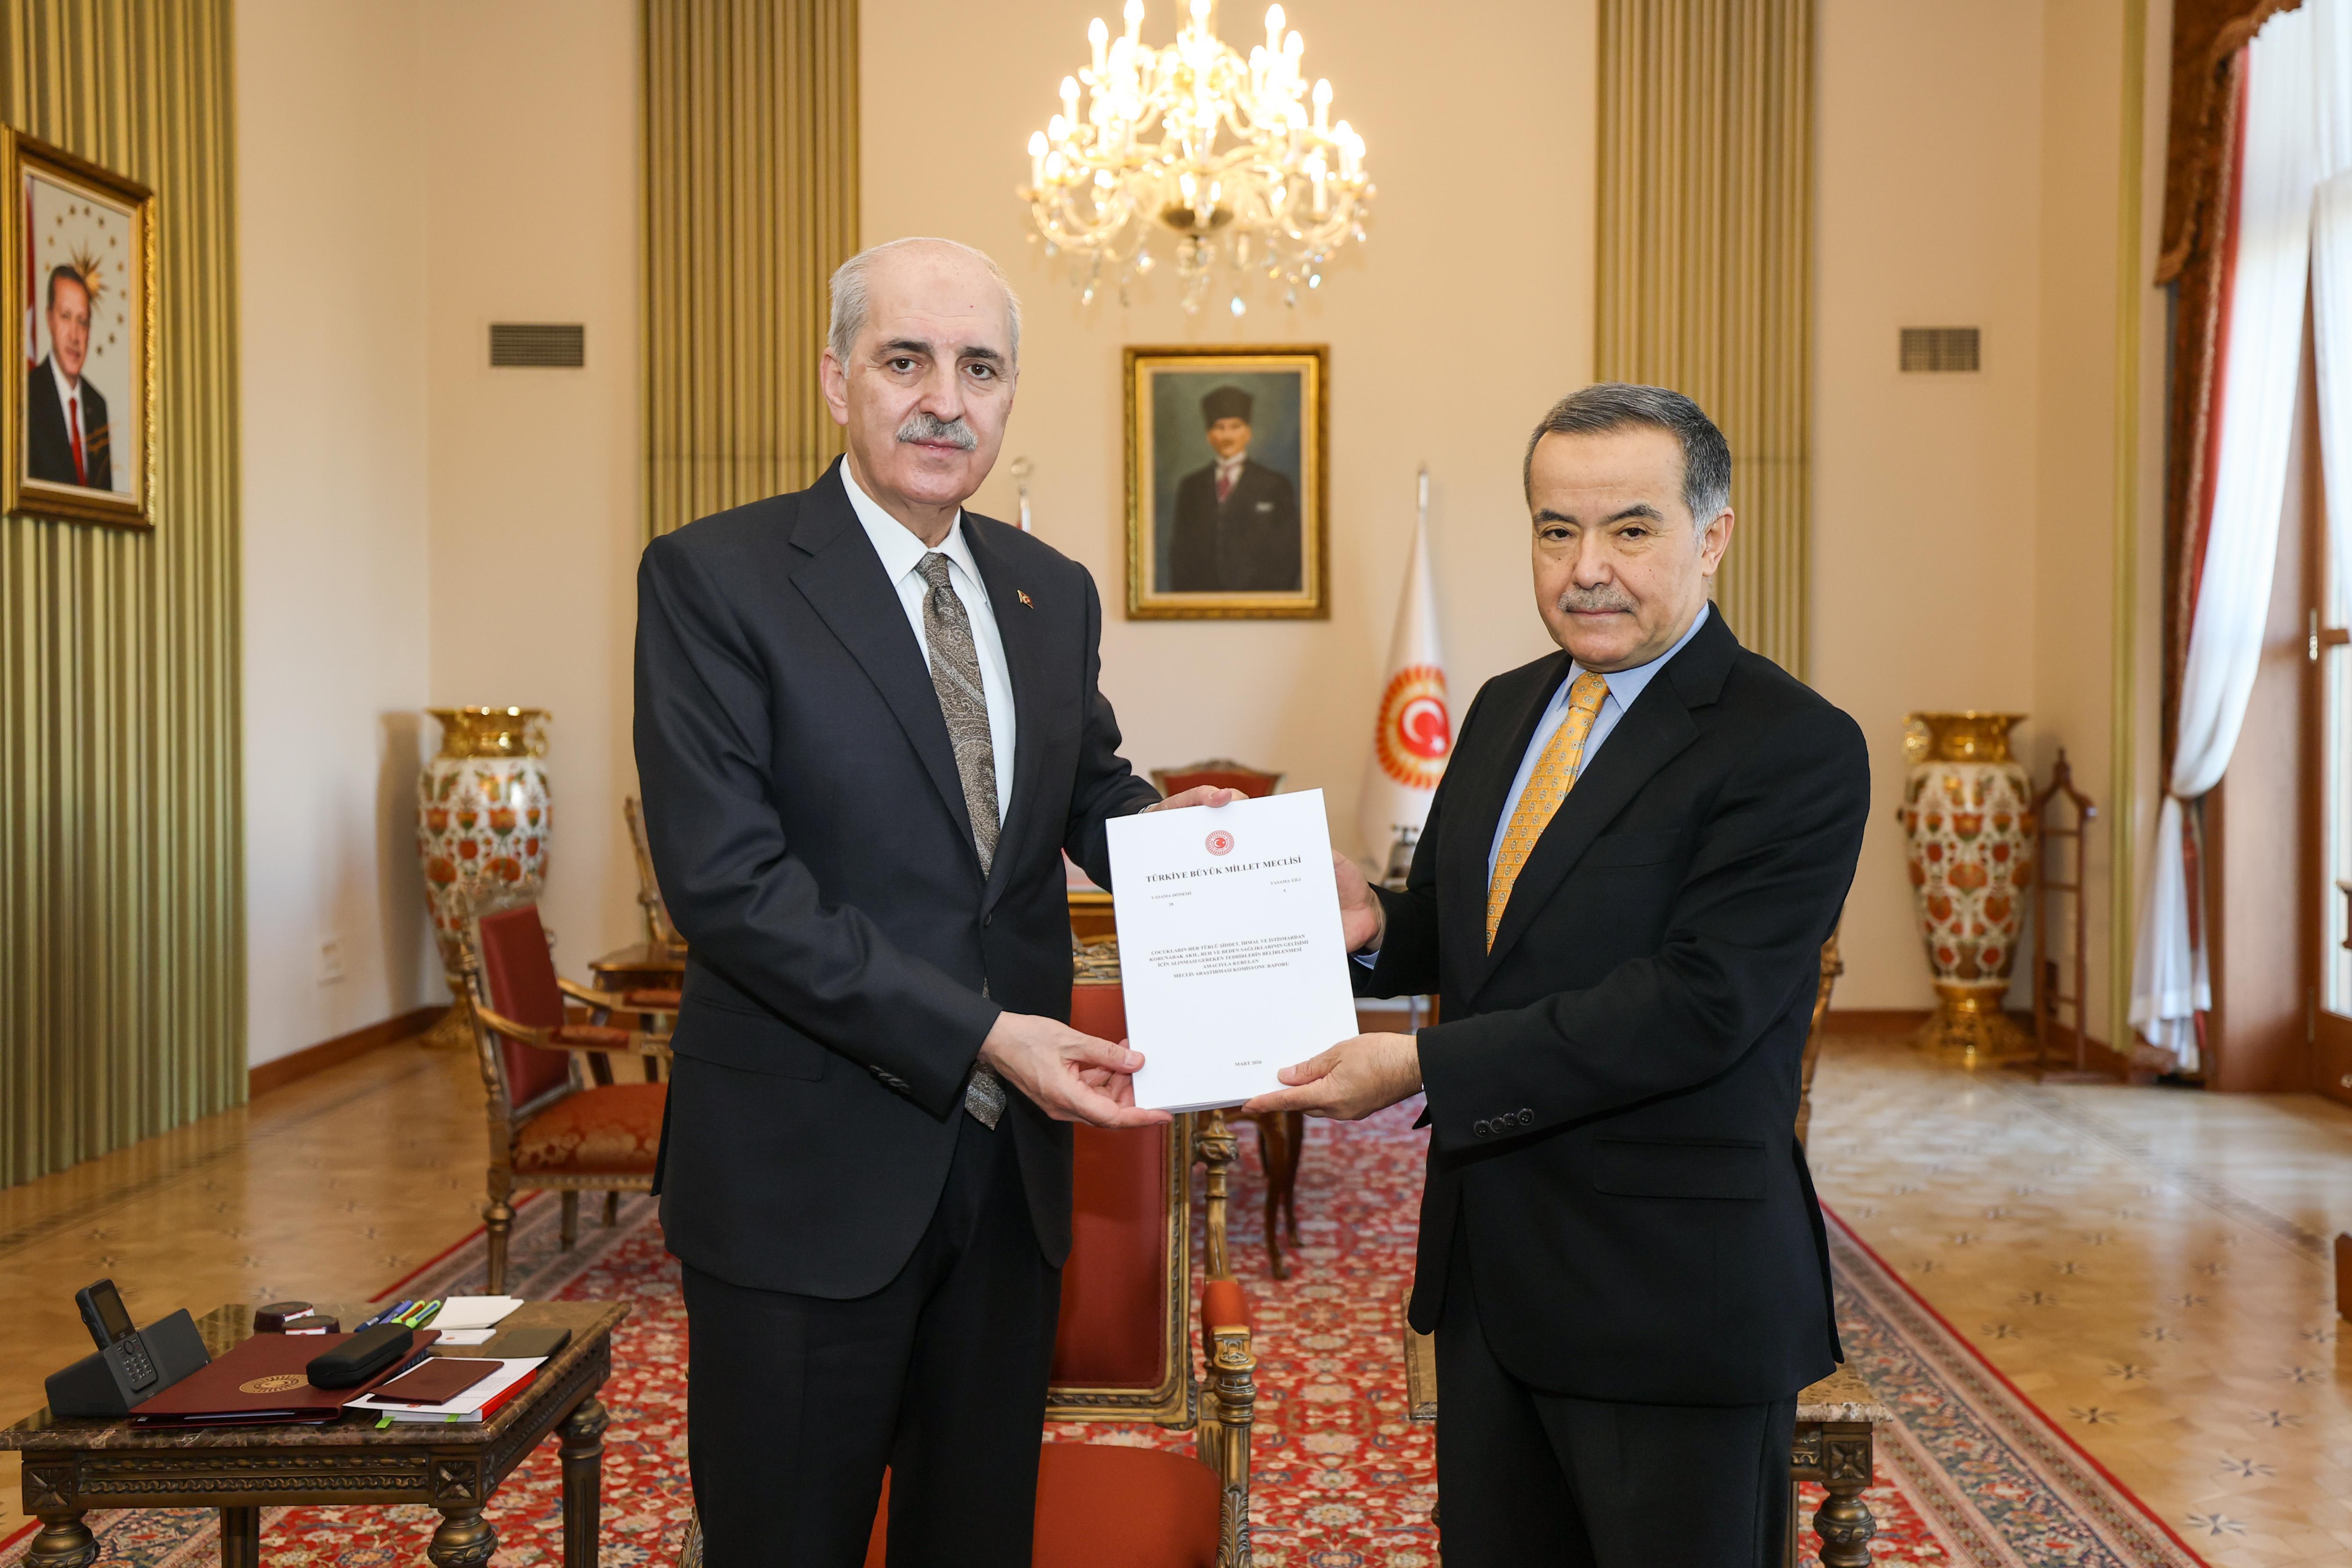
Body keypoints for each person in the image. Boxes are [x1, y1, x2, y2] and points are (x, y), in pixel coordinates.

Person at [634, 236, 1237, 1567]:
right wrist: (981, 1033)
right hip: (805, 1174)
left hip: (1007, 1178)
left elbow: (1084, 788)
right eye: (904, 361)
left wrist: (1174, 841)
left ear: (1011, 392)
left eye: (979, 368)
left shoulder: (1047, 591)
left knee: (973, 1535)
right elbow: (728, 887)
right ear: (834, 380)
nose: (943, 401)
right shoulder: (713, 579)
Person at [1247, 383, 1870, 1566]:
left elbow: (1698, 1005)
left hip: (1668, 1301)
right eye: (1554, 529)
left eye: (1629, 529)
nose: (1586, 568)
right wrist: (1374, 918)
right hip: (1492, 1282)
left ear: (1712, 536)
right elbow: (1483, 930)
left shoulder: (1790, 743)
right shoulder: (1502, 707)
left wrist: (1419, 1065)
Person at [1166, 383, 1301, 592]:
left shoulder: (1275, 485)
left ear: (1249, 433)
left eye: (1236, 427)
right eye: (1220, 428)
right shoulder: (1191, 487)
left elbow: (1289, 553)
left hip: (1260, 600)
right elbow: (1180, 555)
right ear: (1209, 435)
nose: (1228, 436)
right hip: (1202, 602)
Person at [25, 265, 111, 490]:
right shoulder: (27, 396)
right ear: (49, 319)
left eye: (82, 322)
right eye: (66, 317)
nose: (75, 336)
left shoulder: (97, 406)